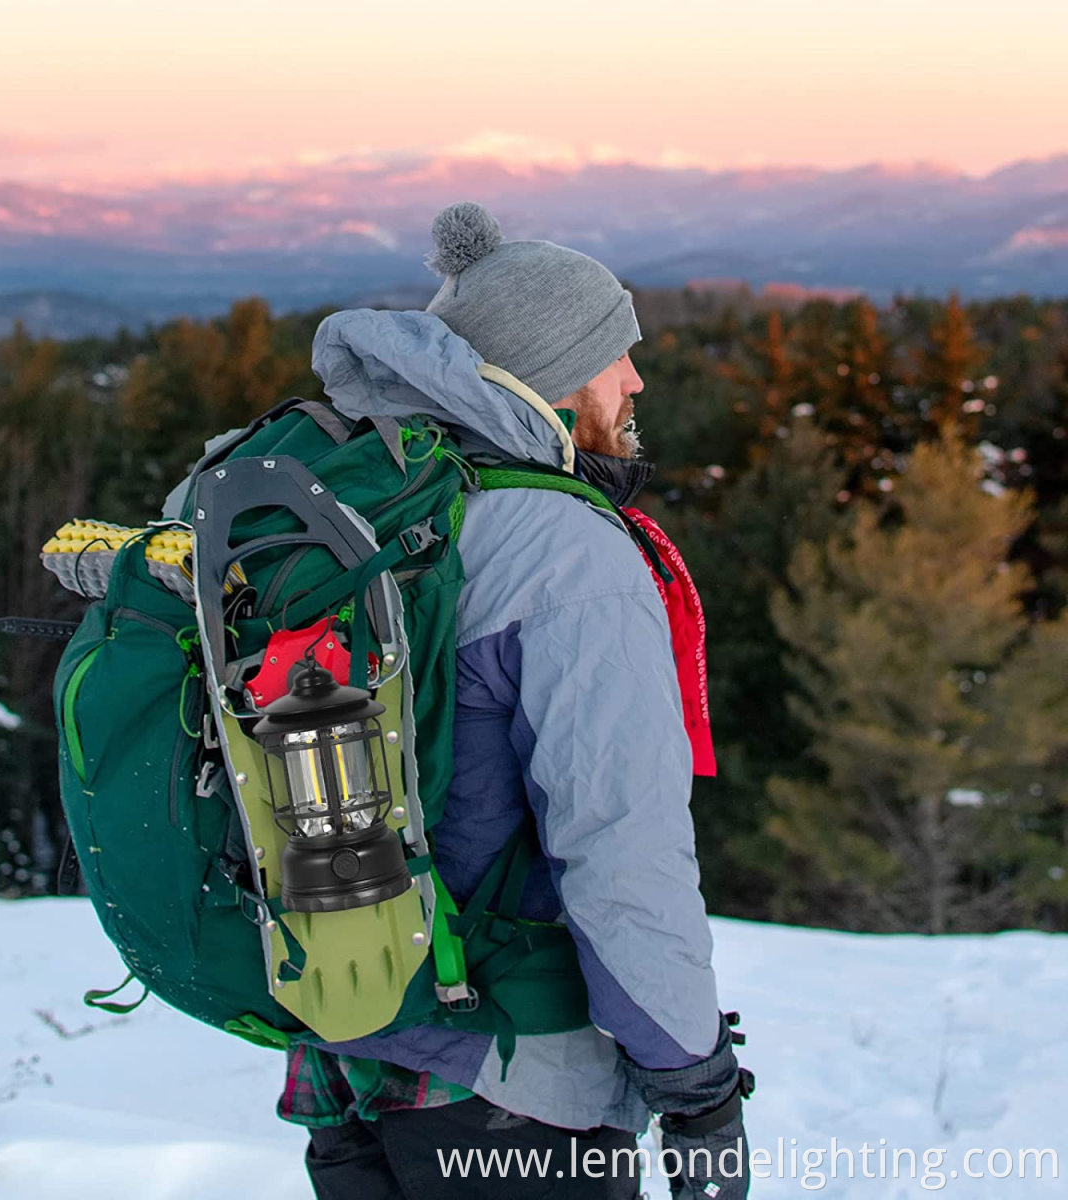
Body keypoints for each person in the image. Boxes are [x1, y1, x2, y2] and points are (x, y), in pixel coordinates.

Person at [277, 201, 753, 1199]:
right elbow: (619, 846)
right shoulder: (564, 554)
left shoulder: (374, 513)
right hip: (513, 1087)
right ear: (551, 376)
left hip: (347, 1060)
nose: (635, 379)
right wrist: (696, 1083)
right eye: (614, 355)